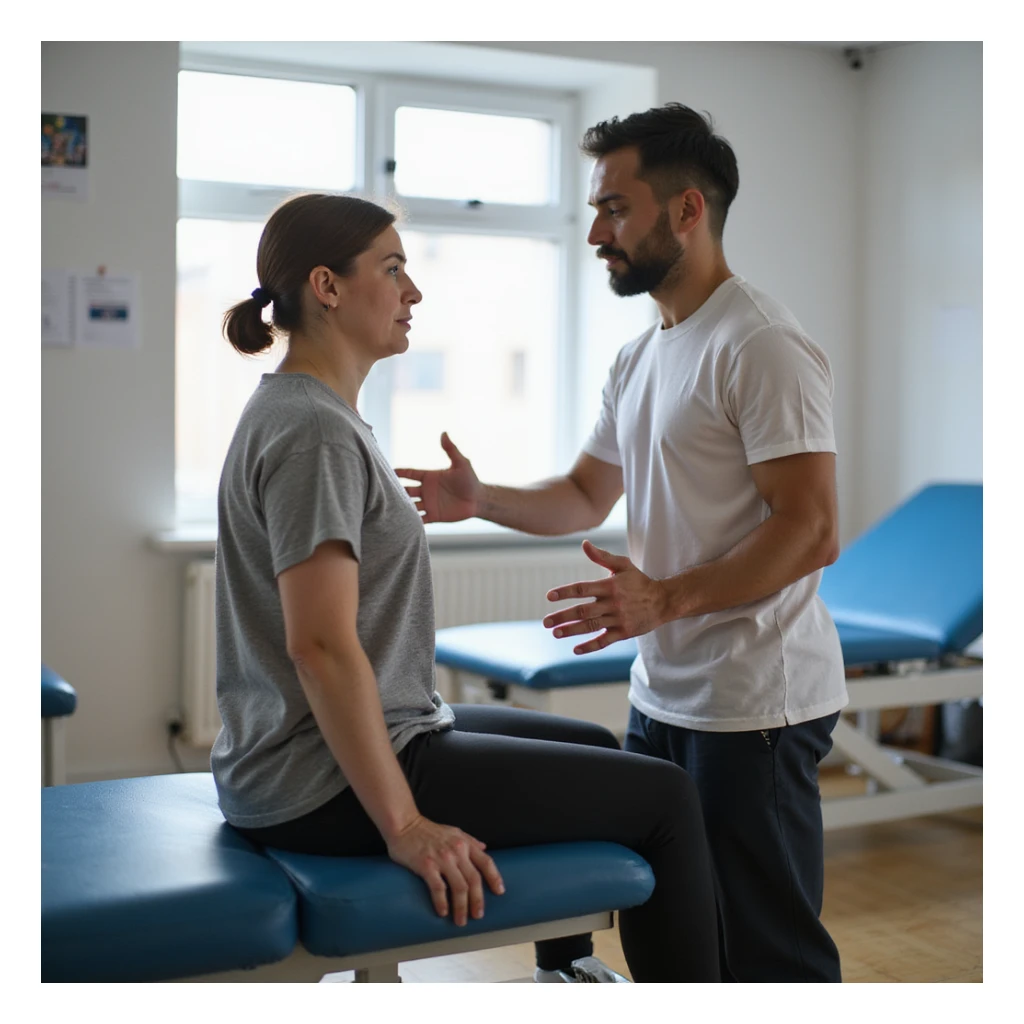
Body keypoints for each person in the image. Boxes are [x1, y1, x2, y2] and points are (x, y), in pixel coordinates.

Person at [210, 191, 722, 984]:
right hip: (316, 780)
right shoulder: (313, 430)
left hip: (326, 748)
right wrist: (406, 823)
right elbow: (318, 644)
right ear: (327, 286)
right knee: (665, 798)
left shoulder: (313, 414)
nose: (413, 291)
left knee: (592, 745)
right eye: (392, 269)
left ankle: (569, 970)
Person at [397, 105, 848, 983]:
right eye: (597, 210)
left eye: (616, 208)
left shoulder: (761, 344)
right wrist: (482, 497)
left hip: (757, 702)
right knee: (676, 935)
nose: (599, 231)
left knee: (766, 951)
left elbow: (814, 528)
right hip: (665, 695)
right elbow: (580, 496)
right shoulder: (641, 356)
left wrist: (666, 598)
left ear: (687, 210)